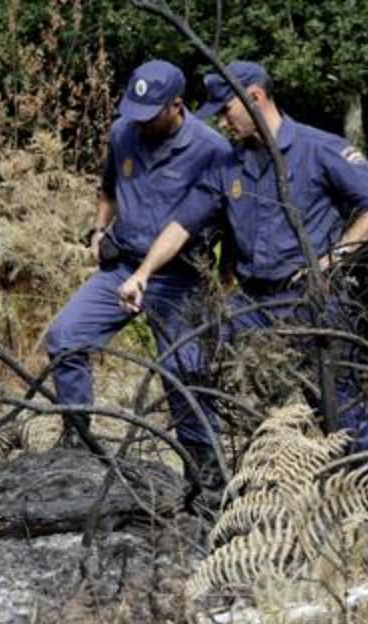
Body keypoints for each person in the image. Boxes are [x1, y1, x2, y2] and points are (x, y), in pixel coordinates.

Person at [118, 61, 368, 477]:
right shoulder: (227, 165)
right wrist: (142, 273)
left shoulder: (316, 148)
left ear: (254, 97)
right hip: (254, 302)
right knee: (190, 365)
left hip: (312, 300)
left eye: (225, 110)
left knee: (336, 404)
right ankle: (211, 480)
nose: (220, 121)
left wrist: (336, 257)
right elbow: (182, 224)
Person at [45, 59, 230, 508]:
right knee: (65, 337)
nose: (140, 123)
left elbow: (229, 220)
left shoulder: (212, 149)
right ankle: (79, 442)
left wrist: (224, 285)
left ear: (176, 106)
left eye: (151, 114)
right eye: (135, 111)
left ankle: (207, 484)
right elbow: (107, 189)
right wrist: (97, 231)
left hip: (183, 279)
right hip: (123, 267)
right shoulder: (123, 131)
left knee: (184, 376)